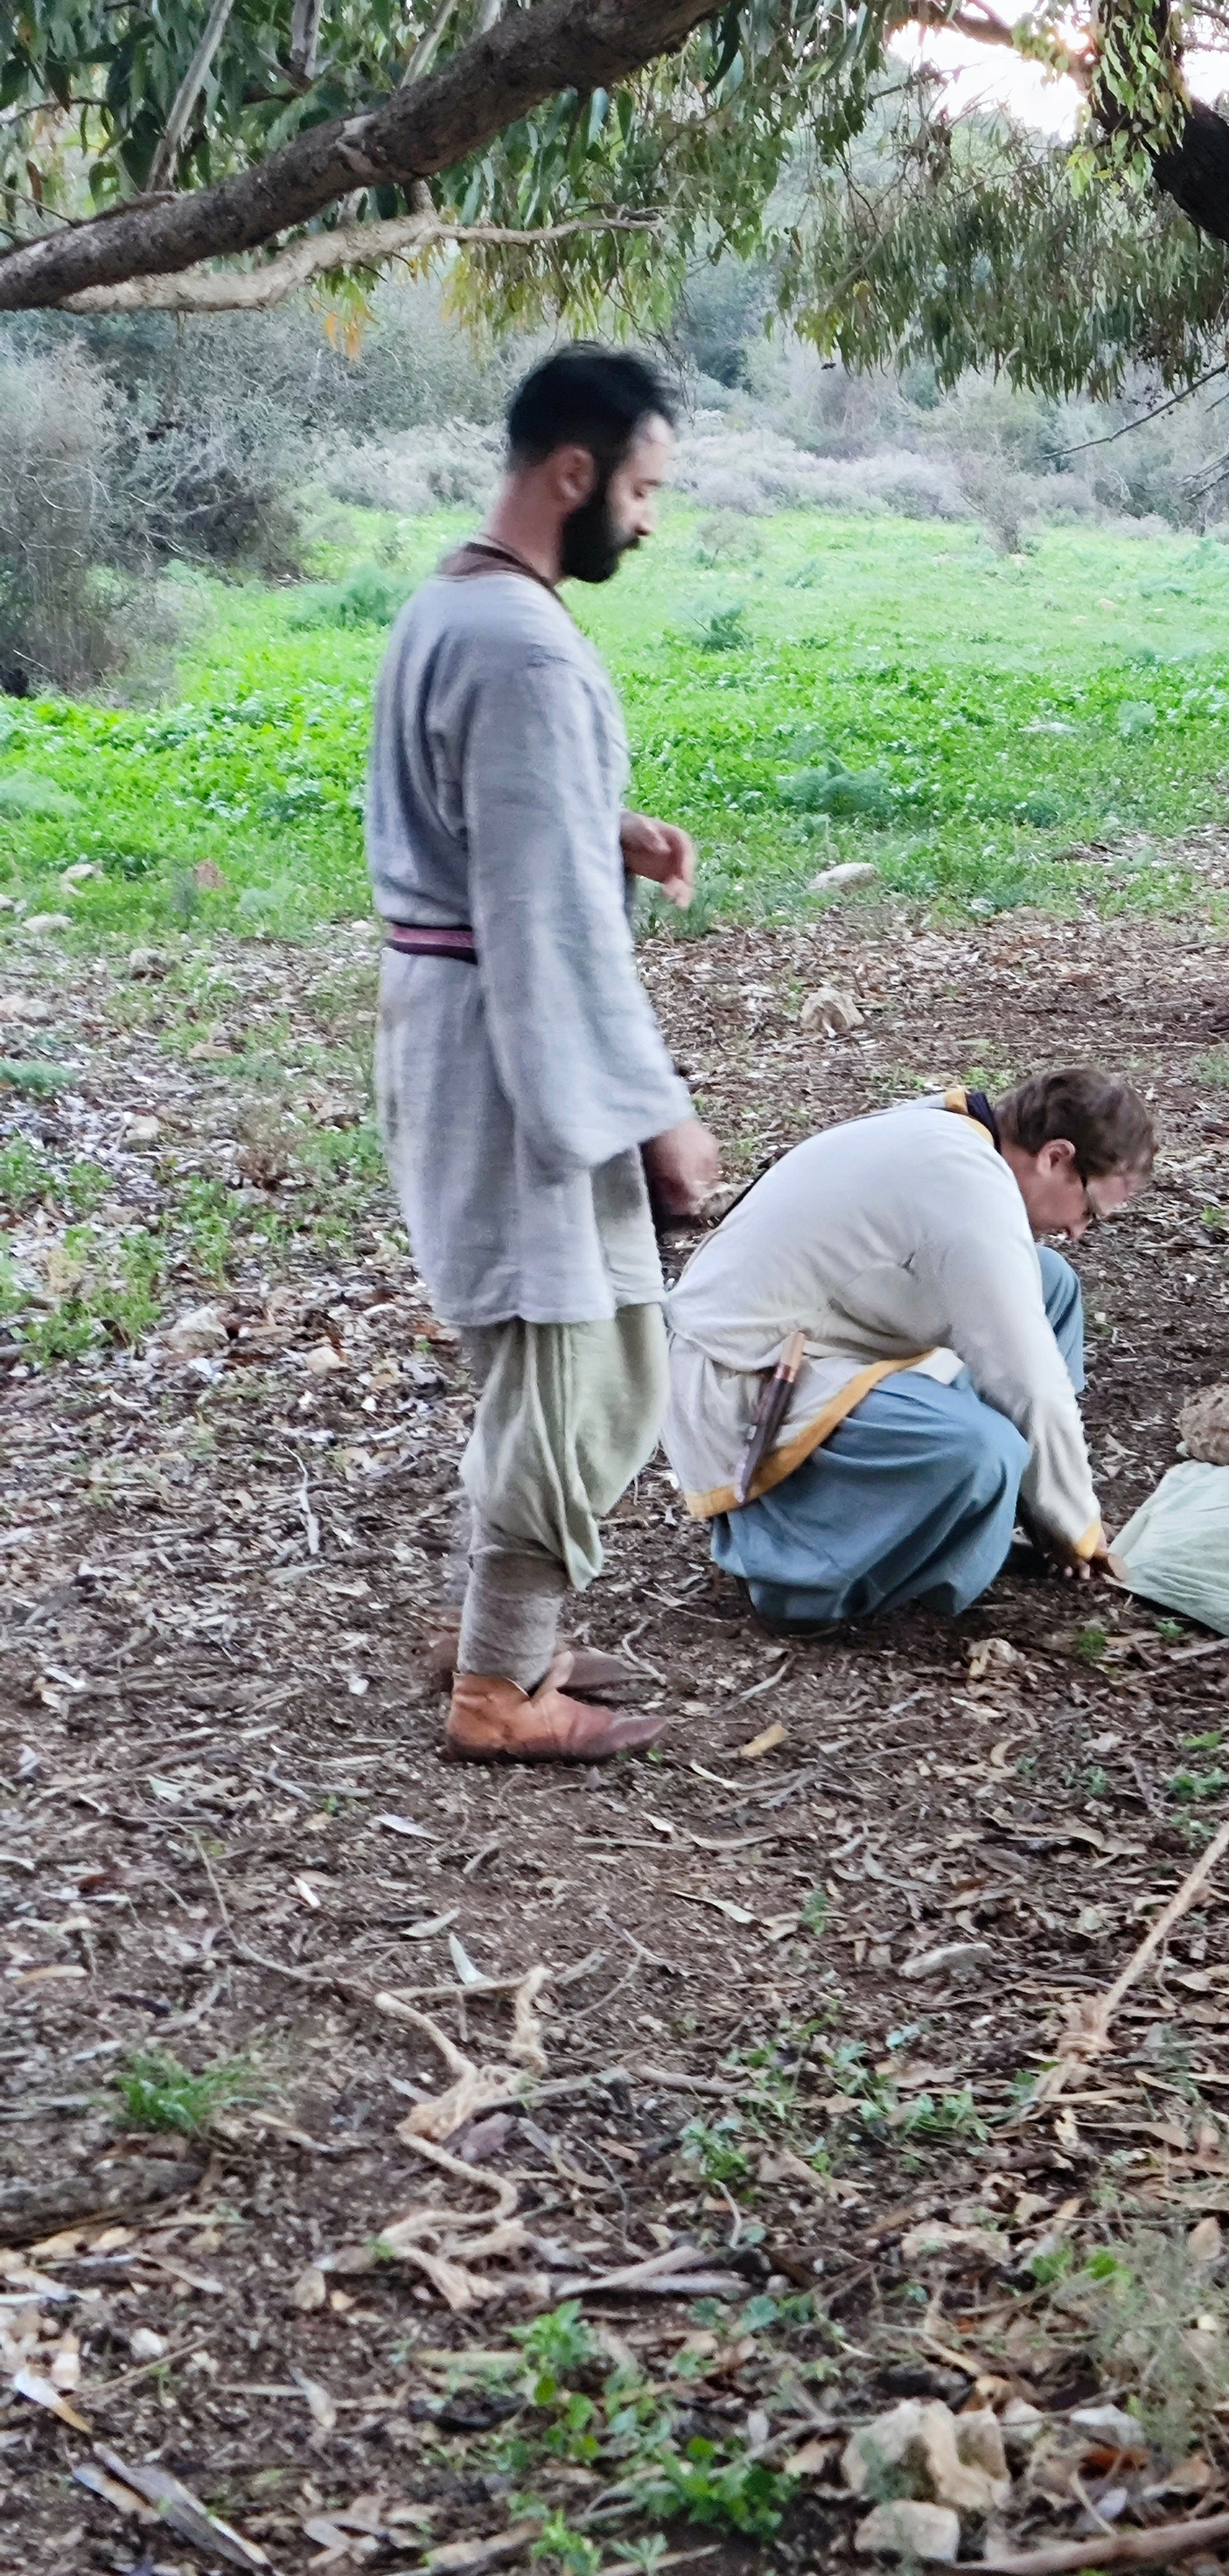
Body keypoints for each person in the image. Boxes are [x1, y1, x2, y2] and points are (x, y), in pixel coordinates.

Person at [367, 345, 723, 1764]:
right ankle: (496, 1690)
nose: (646, 520)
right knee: (572, 1374)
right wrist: (652, 1110)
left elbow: (483, 829)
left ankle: (507, 1635)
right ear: (573, 472)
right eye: (640, 490)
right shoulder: (520, 647)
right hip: (514, 1052)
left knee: (566, 1360)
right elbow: (544, 923)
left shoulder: (450, 604)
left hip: (461, 1026)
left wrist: (602, 825)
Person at [663, 1071, 1156, 1626]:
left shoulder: (960, 1132)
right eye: (1088, 1209)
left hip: (822, 1328)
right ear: (1055, 1158)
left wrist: (1059, 1505)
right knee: (982, 1449)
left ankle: (1023, 1508)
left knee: (1052, 1283)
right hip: (747, 1375)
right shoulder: (967, 1183)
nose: (1078, 1231)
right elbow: (1030, 1385)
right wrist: (1080, 1528)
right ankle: (797, 1566)